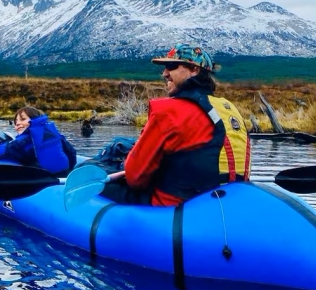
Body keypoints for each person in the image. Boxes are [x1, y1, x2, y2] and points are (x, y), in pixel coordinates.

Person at [94, 43, 251, 206]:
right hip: (221, 203)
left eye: (171, 66)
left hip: (174, 207)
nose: (165, 73)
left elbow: (135, 178)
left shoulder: (169, 111)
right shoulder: (228, 108)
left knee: (91, 167)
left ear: (194, 70)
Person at [0, 106, 77, 176]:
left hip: (43, 181)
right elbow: (71, 152)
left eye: (23, 119)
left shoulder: (24, 141)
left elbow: (2, 152)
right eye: (16, 121)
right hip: (63, 175)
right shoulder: (56, 135)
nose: (17, 123)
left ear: (34, 120)